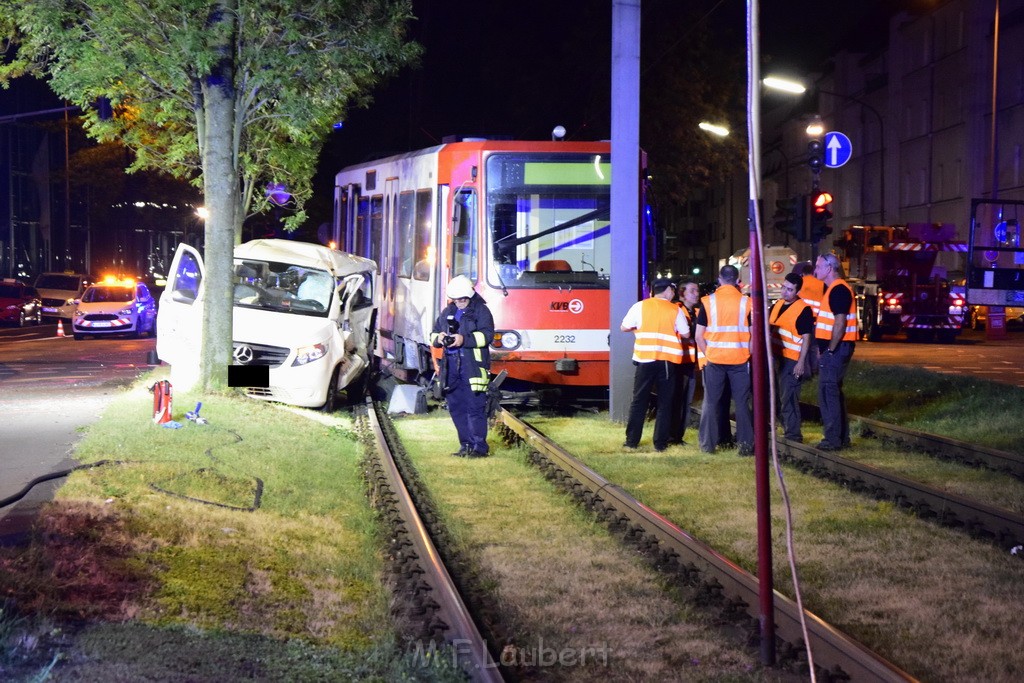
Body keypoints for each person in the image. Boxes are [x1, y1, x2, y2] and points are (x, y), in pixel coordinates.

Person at [620, 277, 689, 452]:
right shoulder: (675, 309)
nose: (673, 293)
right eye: (672, 290)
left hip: (644, 359)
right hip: (666, 362)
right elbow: (686, 333)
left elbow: (624, 327)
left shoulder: (640, 306)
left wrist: (638, 329)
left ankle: (631, 441)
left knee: (639, 401)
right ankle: (660, 444)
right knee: (665, 403)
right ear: (666, 291)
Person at [431, 275, 495, 458]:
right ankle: (465, 445)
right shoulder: (447, 311)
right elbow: (433, 334)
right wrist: (439, 338)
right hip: (451, 368)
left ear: (470, 296)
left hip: (472, 367)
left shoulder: (481, 311)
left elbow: (487, 336)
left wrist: (463, 340)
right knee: (456, 407)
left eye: (463, 299)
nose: (459, 303)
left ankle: (479, 448)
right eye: (456, 299)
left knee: (474, 408)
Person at [695, 265, 753, 455]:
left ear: (719, 279)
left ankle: (707, 446)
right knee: (742, 404)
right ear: (737, 280)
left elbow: (698, 336)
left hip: (715, 361)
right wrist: (747, 354)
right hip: (739, 360)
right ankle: (745, 446)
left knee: (710, 403)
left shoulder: (707, 302)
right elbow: (754, 336)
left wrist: (709, 353)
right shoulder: (747, 303)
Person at [813, 253, 858, 450]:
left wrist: (830, 350)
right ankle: (841, 438)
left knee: (828, 392)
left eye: (819, 266)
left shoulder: (838, 290)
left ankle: (832, 440)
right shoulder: (834, 289)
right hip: (836, 348)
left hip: (837, 349)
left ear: (829, 268)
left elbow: (839, 323)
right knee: (833, 392)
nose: (816, 269)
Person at [769, 273, 815, 442]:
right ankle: (785, 429)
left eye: (790, 289)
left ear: (797, 291)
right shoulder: (777, 305)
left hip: (792, 360)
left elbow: (806, 338)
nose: (785, 292)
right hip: (776, 358)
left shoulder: (803, 310)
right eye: (783, 287)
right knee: (778, 396)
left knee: (788, 397)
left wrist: (801, 363)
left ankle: (794, 435)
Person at [670, 280, 700, 445]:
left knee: (686, 400)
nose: (697, 293)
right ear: (682, 293)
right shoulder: (677, 310)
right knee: (677, 400)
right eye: (693, 290)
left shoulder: (696, 311)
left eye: (697, 290)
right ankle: (672, 436)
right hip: (679, 362)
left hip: (691, 363)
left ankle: (678, 436)